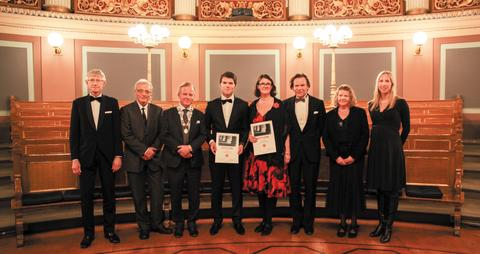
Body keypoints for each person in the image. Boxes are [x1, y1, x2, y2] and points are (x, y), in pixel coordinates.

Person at [69, 69, 122, 248]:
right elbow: (74, 134)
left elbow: (117, 133)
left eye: (98, 80)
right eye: (92, 80)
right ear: (87, 82)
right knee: (86, 197)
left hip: (108, 158)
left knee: (109, 195)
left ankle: (110, 231)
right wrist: (74, 158)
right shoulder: (78, 104)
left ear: (104, 83)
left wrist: (118, 155)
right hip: (85, 158)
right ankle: (88, 234)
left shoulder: (113, 103)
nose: (95, 83)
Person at [120, 79, 172, 240]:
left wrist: (152, 149)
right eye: (141, 91)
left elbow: (162, 133)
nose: (144, 94)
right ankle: (143, 226)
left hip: (155, 159)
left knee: (157, 194)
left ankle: (157, 224)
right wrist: (143, 150)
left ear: (151, 93)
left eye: (147, 91)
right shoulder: (126, 110)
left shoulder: (158, 111)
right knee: (139, 195)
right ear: (135, 92)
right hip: (135, 159)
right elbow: (126, 135)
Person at [243, 74, 290, 236]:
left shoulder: (280, 105)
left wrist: (287, 152)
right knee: (261, 189)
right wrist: (249, 136)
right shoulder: (252, 106)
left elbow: (286, 130)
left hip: (275, 154)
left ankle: (269, 221)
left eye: (268, 83)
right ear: (257, 86)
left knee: (272, 189)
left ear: (272, 86)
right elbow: (247, 128)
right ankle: (263, 220)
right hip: (257, 155)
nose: (265, 85)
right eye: (262, 83)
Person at [367, 71, 410, 243]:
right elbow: (376, 127)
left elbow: (406, 128)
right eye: (381, 81)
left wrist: (397, 145)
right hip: (377, 149)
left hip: (393, 150)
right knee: (379, 189)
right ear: (377, 84)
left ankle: (389, 227)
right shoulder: (372, 104)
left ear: (392, 84)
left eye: (387, 81)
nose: (384, 84)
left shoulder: (400, 103)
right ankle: (381, 223)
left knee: (391, 190)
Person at [205, 71, 249, 235]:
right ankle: (217, 220)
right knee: (217, 188)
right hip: (217, 154)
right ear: (220, 84)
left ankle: (237, 220)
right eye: (224, 82)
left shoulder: (243, 105)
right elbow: (205, 128)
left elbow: (246, 129)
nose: (227, 85)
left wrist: (243, 145)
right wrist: (211, 141)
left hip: (236, 154)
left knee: (236, 188)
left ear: (234, 85)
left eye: (230, 83)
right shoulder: (211, 105)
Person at [160, 82, 207, 238]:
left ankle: (192, 221)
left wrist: (190, 148)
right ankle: (178, 222)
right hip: (174, 159)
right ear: (179, 95)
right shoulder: (167, 114)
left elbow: (203, 135)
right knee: (175, 193)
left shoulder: (200, 115)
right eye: (184, 94)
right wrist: (179, 149)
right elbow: (164, 135)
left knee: (194, 194)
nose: (187, 97)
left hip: (194, 160)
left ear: (194, 96)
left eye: (190, 94)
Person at [322, 84, 369, 238]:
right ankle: (342, 223)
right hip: (337, 160)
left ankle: (354, 223)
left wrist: (353, 156)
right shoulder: (329, 115)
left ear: (350, 98)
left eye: (345, 96)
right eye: (340, 95)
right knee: (340, 191)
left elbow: (364, 137)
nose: (342, 98)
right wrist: (336, 157)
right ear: (336, 97)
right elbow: (326, 138)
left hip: (355, 160)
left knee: (354, 191)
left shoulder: (359, 113)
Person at [284, 73, 326, 235]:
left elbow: (322, 128)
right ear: (292, 87)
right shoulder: (286, 104)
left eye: (302, 85)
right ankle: (296, 222)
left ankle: (308, 223)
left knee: (310, 189)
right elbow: (284, 130)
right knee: (293, 189)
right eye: (296, 85)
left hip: (311, 153)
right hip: (292, 154)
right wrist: (286, 151)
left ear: (308, 86)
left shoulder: (318, 104)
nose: (300, 88)